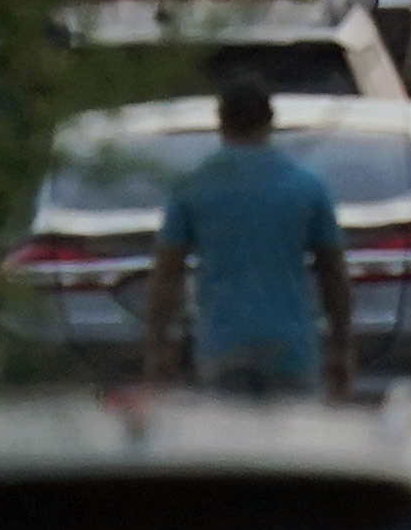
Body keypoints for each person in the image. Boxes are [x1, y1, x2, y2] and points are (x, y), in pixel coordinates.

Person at [140, 80, 353, 401]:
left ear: (221, 123)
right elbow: (333, 273)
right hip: (291, 347)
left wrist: (158, 346)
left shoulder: (193, 187)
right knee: (292, 445)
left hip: (222, 344)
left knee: (231, 446)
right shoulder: (306, 186)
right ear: (270, 122)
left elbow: (168, 274)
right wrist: (342, 344)